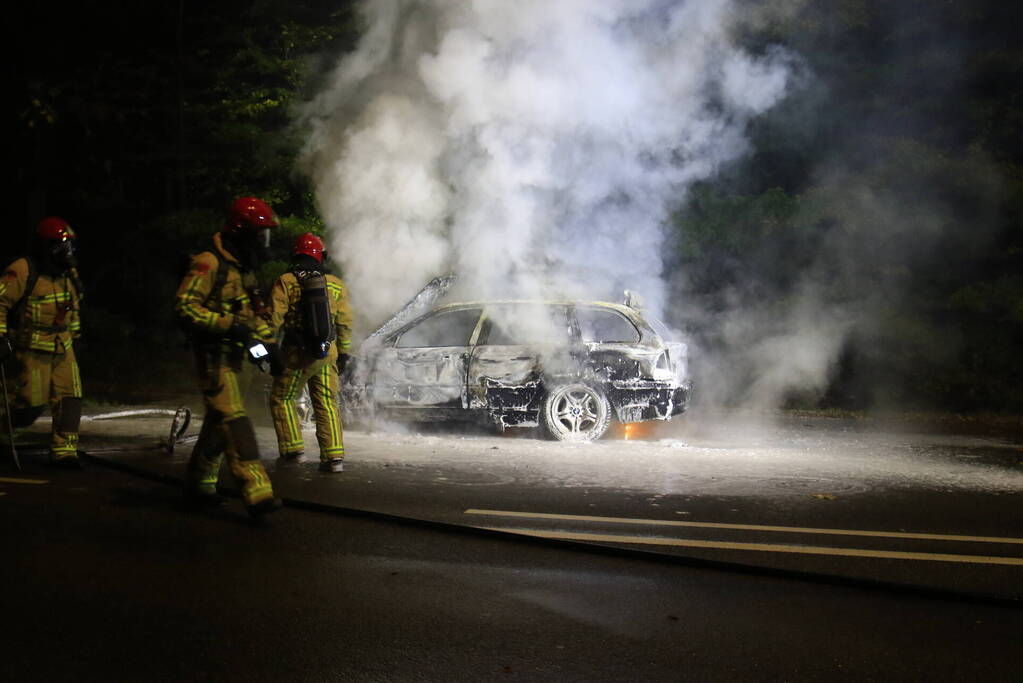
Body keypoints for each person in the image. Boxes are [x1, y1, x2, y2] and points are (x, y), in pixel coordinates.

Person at [174, 197, 281, 515]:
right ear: (240, 230)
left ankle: (199, 484)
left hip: (238, 360)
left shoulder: (242, 268)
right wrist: (227, 326)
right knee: (235, 422)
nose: (264, 242)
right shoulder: (209, 263)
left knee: (218, 424)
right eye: (260, 233)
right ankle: (257, 492)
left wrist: (269, 347)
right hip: (214, 358)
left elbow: (253, 320)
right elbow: (184, 306)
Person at [0, 217, 84, 468]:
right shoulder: (23, 270)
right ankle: (2, 436)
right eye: (61, 247)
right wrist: (1, 337)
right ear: (46, 247)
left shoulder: (68, 273)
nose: (67, 253)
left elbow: (74, 305)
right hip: (32, 349)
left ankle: (64, 452)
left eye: (69, 247)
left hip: (63, 345)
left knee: (71, 397)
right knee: (28, 404)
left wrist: (76, 337)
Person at [268, 232, 353, 473]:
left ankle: (292, 450)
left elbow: (274, 318)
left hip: (298, 354)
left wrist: (268, 346)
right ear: (320, 256)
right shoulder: (336, 284)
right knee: (326, 401)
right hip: (328, 353)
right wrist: (345, 353)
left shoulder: (286, 281)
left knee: (282, 398)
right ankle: (334, 457)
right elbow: (345, 323)